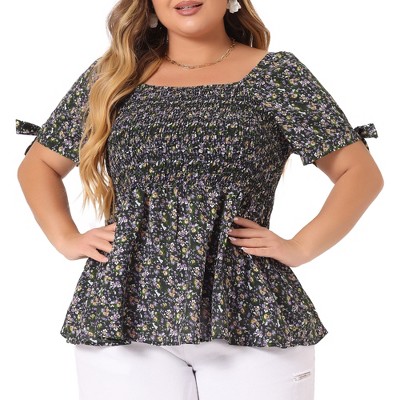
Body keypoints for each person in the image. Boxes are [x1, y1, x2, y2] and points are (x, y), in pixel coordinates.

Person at [16, 0, 383, 399]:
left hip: (249, 311)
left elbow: (359, 172)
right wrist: (66, 238)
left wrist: (301, 246)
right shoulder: (114, 77)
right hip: (122, 311)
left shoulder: (276, 75)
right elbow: (39, 165)